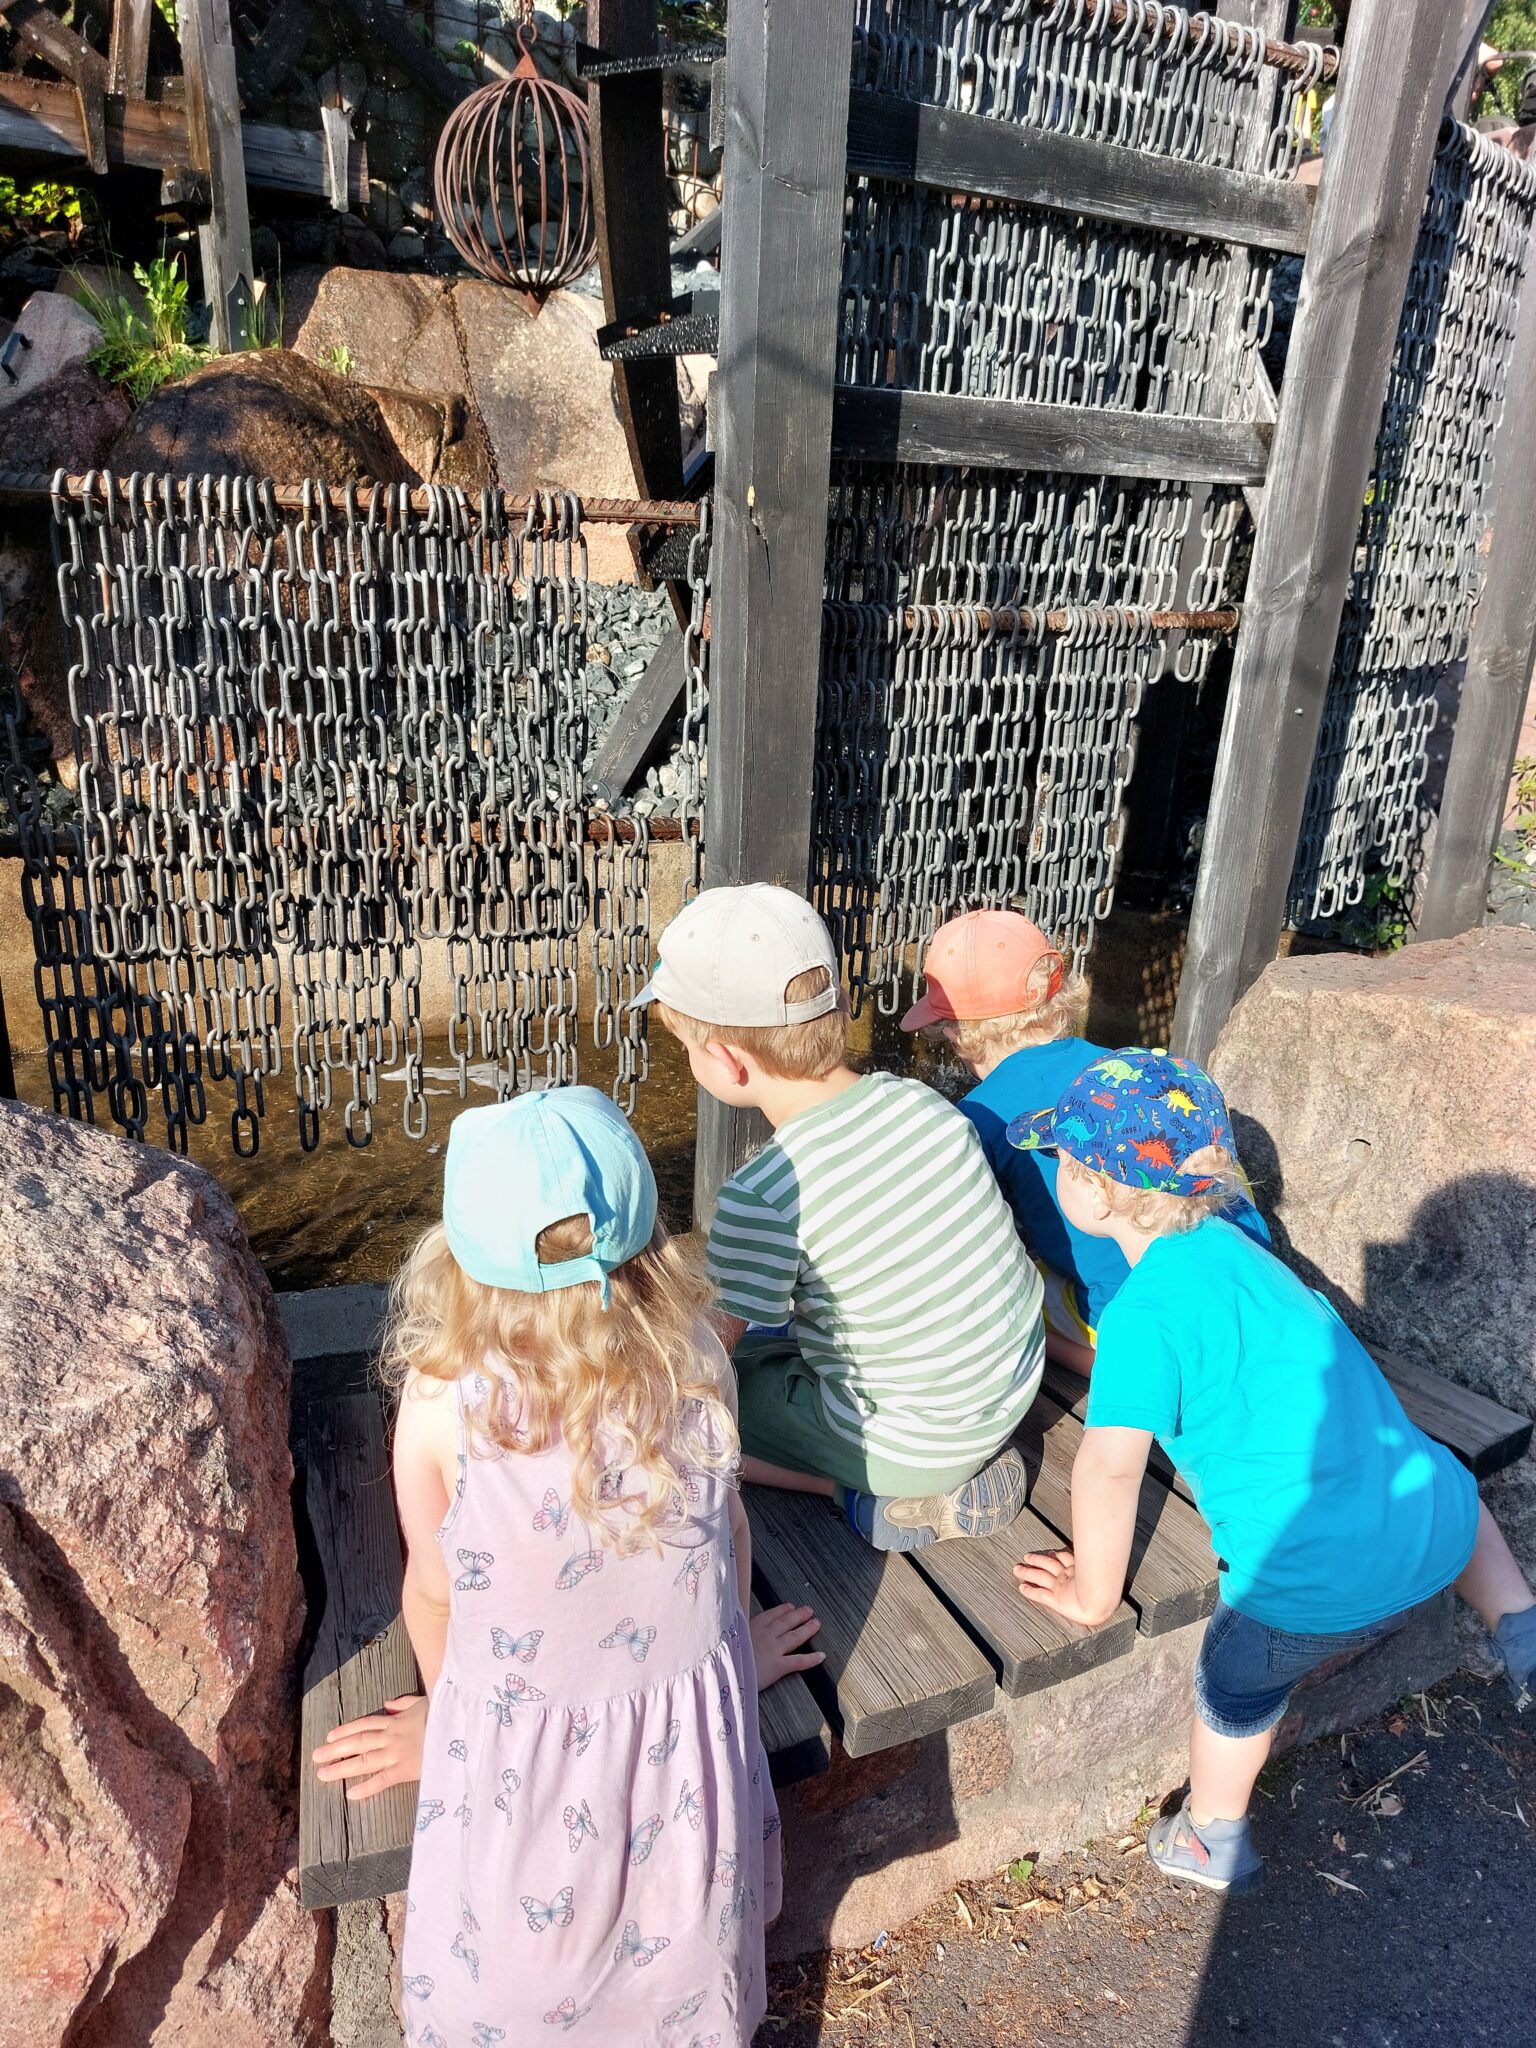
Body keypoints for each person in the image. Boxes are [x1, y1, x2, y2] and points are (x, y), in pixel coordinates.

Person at [312, 1087, 819, 2046]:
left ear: (456, 1257)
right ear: (650, 1239)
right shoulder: (696, 1359)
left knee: (512, 1988)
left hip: (526, 1792)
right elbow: (728, 1535)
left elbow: (435, 1594)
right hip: (686, 1775)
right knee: (683, 1986)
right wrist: (725, 1662)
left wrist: (454, 1725)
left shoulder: (443, 1403)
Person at [1011, 1048, 1536, 1895]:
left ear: (1097, 1193)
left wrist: (1092, 1595)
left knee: (1233, 1687)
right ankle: (1519, 1623)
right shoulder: (1235, 1250)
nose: (1055, 1175)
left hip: (1312, 1595)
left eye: (1062, 1162)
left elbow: (1109, 1470)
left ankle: (1211, 1835)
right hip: (1435, 1528)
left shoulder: (1143, 1315)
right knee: (1447, 1482)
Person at [637, 882, 1045, 1553]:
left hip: (912, 1445)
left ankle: (858, 1494)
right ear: (844, 1007)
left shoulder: (765, 1193)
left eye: (687, 1047)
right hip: (1010, 1387)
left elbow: (708, 1360)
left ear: (728, 1063)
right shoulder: (922, 1103)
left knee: (703, 1412)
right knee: (779, 1337)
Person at [904, 908, 1267, 1377]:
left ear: (957, 1031)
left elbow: (967, 1239)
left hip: (1125, 1311)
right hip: (1234, 1284)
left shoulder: (979, 1114)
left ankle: (1111, 1364)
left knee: (1020, 1291)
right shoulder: (1122, 1068)